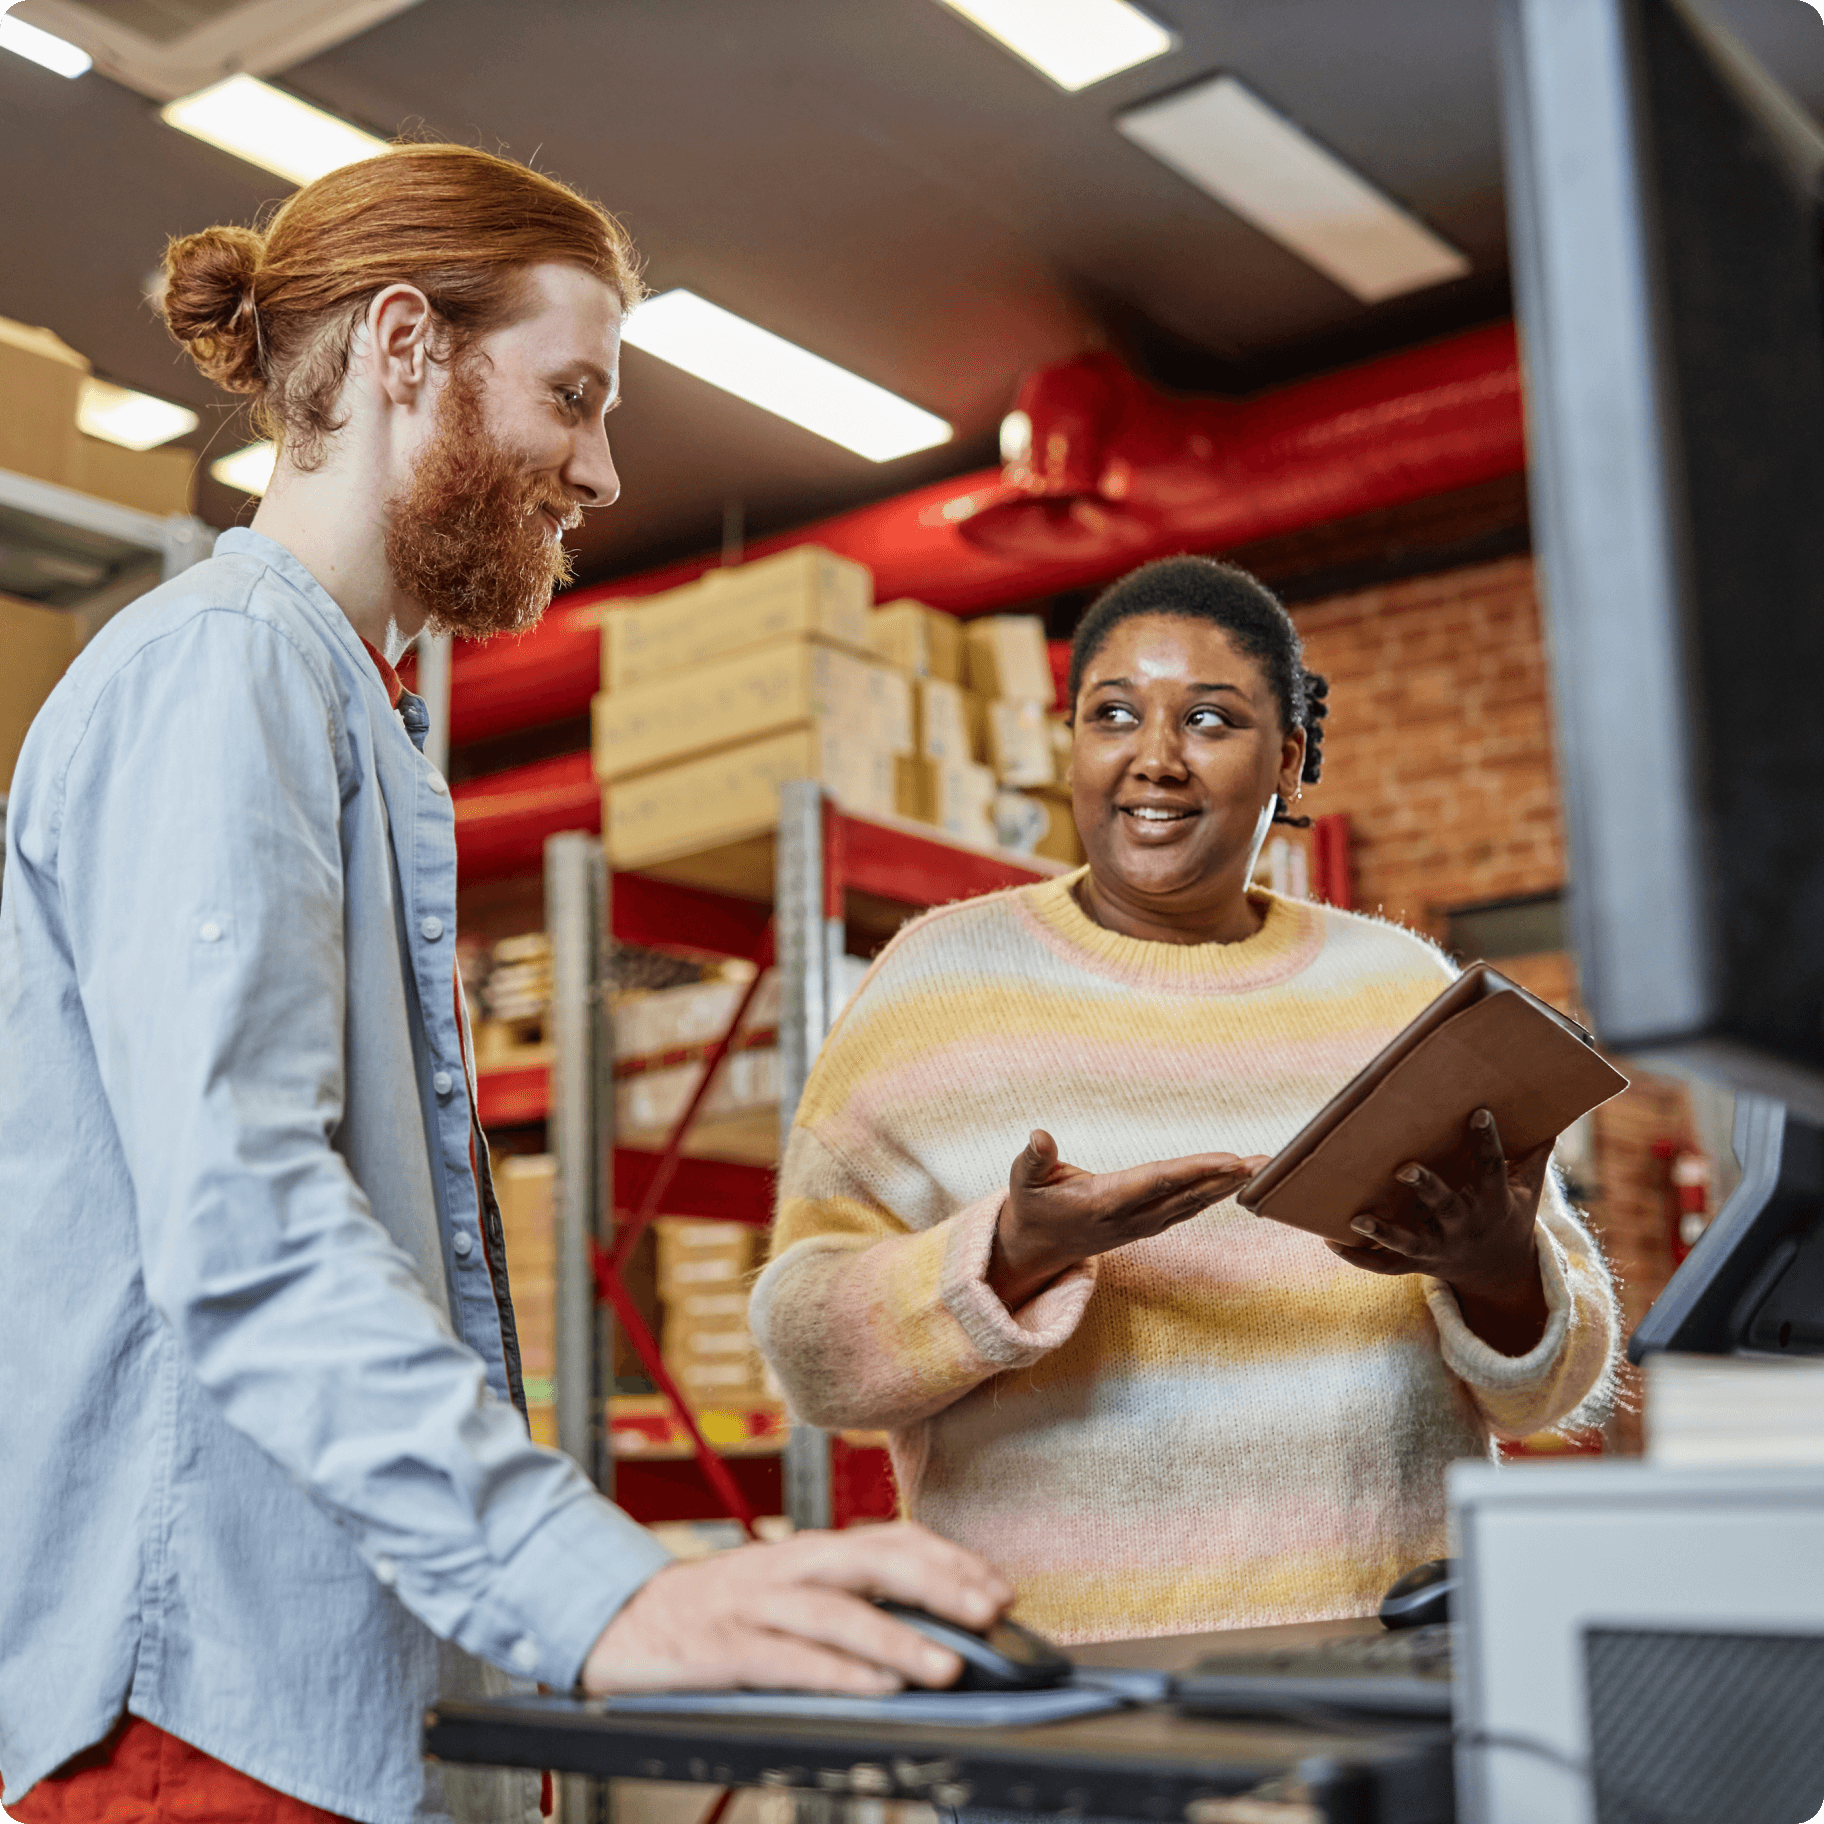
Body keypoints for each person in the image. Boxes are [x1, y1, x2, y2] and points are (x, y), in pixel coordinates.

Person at [0, 145, 1010, 1824]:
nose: (603, 469)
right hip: (205, 1708)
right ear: (406, 347)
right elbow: (244, 1217)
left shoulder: (345, 704)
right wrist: (594, 1585)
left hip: (312, 1697)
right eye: (575, 393)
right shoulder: (223, 673)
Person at [753, 554, 1621, 1645]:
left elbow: (1556, 1384)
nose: (1152, 760)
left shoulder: (1399, 990)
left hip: (1391, 1668)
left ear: (1288, 761)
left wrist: (1496, 1272)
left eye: (1209, 721)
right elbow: (806, 1349)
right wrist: (1008, 1256)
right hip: (1063, 1694)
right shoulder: (936, 982)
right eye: (1112, 714)